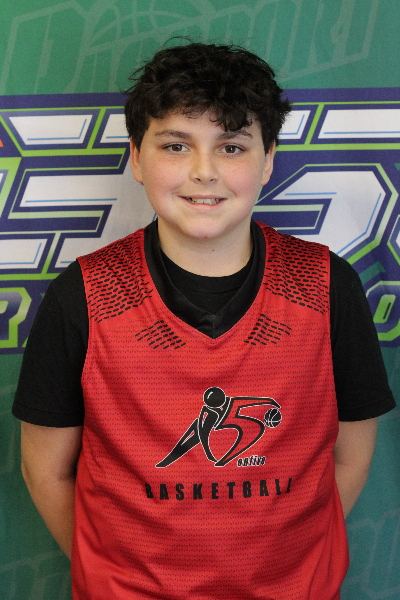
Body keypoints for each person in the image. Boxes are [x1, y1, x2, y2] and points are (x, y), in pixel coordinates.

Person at [13, 42, 395, 600]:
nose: (204, 172)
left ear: (268, 159)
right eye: (175, 145)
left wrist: (287, 568)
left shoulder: (325, 285)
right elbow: (45, 470)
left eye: (231, 147)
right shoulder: (86, 294)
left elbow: (350, 455)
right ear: (137, 157)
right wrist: (118, 576)